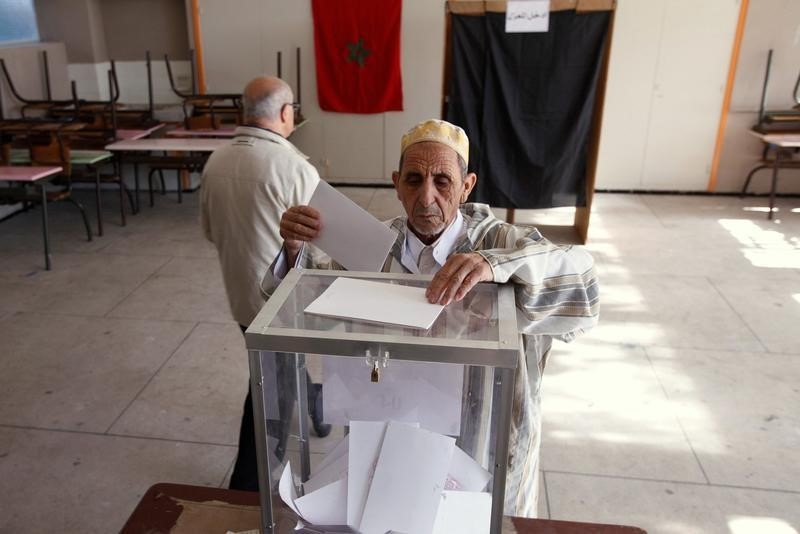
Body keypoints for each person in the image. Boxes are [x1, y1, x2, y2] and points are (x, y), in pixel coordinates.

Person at [263, 119, 599, 516]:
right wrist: (294, 249)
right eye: (414, 180)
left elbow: (584, 282)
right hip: (391, 430)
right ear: (396, 184)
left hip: (479, 443)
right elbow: (292, 301)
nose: (426, 198)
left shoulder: (498, 242)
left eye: (443, 181)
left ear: (467, 185)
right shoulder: (369, 242)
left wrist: (492, 266)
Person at [200, 76, 328, 493]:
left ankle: (317, 403)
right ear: (287, 112)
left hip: (240, 296)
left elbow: (208, 230)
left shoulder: (215, 160)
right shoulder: (293, 168)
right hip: (280, 304)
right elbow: (322, 252)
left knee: (276, 368)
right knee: (267, 396)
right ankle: (246, 488)